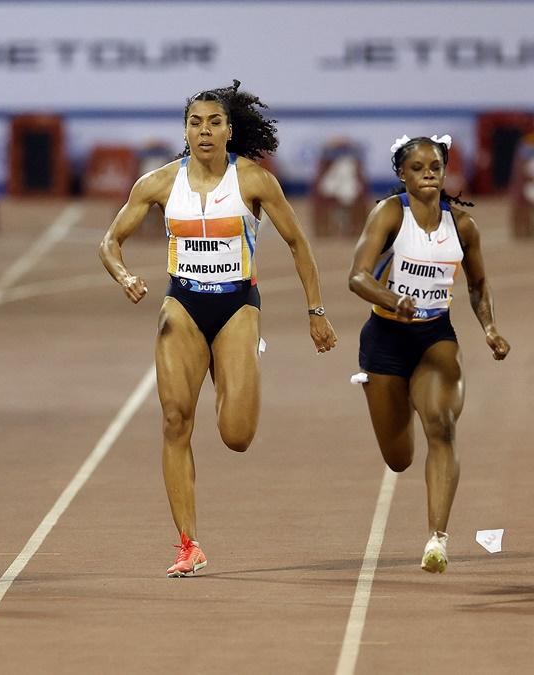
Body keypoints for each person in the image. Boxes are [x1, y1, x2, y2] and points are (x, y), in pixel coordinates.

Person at [99, 80, 337, 577]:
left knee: (236, 435)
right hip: (181, 302)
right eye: (195, 123)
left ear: (229, 130)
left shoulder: (252, 181)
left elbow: (299, 245)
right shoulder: (159, 184)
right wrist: (123, 275)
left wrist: (315, 312)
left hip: (236, 307)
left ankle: (237, 367)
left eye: (213, 122)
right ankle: (188, 544)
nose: (204, 131)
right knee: (173, 420)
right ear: (184, 131)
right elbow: (110, 242)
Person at [348, 134, 510, 573]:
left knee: (442, 424)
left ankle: (437, 539)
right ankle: (386, 394)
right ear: (402, 173)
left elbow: (477, 285)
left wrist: (490, 328)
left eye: (434, 167)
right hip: (384, 338)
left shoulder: (461, 226)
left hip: (434, 336)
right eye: (417, 168)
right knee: (398, 458)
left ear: (444, 171)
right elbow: (357, 277)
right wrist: (390, 297)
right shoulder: (388, 213)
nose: (427, 175)